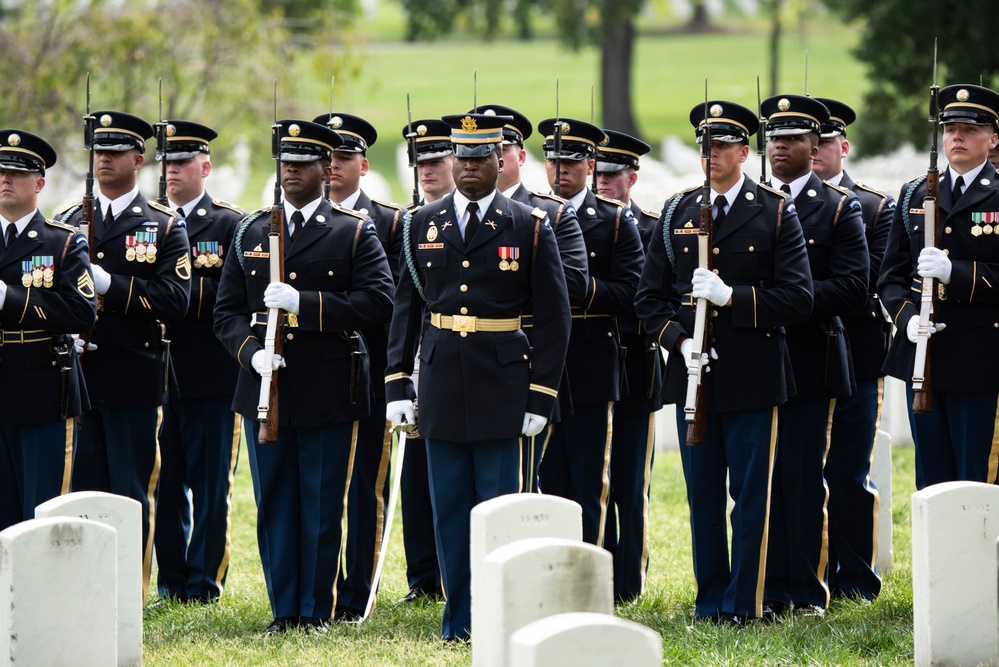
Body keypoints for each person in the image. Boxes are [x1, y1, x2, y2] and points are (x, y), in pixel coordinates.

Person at [385, 112, 570, 641]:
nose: (468, 167)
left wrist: (541, 394)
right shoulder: (423, 222)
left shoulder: (529, 225)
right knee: (449, 510)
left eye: (478, 158)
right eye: (460, 158)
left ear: (498, 161)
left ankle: (504, 614)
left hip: (503, 384)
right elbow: (407, 306)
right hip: (442, 381)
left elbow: (555, 320)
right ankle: (460, 619)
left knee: (500, 508)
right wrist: (398, 382)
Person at [635, 99, 813, 625]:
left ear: (743, 151)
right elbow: (649, 299)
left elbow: (798, 298)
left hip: (754, 375)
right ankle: (710, 598)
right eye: (704, 146)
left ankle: (746, 599)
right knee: (703, 496)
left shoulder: (776, 210)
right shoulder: (676, 212)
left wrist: (733, 296)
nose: (710, 155)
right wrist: (679, 341)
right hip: (695, 378)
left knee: (752, 497)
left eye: (721, 146)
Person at [213, 119, 394, 635]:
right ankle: (283, 607)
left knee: (320, 500)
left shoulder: (352, 231)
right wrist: (251, 355)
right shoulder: (251, 231)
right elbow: (224, 314)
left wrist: (306, 305)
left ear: (325, 169)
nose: (290, 171)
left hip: (328, 387)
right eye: (285, 163)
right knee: (274, 500)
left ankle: (316, 608)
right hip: (264, 387)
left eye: (303, 163)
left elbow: (378, 302)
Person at [58, 111, 191, 602]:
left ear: (139, 160)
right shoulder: (71, 221)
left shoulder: (161, 224)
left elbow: (175, 299)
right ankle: (87, 591)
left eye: (114, 154)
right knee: (83, 490)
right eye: (98, 153)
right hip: (80, 375)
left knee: (131, 489)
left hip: (133, 373)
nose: (104, 161)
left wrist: (110, 285)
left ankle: (129, 594)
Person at [761, 94, 868, 619]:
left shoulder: (838, 207)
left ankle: (805, 589)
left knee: (803, 478)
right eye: (774, 138)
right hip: (755, 359)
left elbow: (852, 287)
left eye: (793, 139)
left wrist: (787, 301)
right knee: (762, 480)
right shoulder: (754, 202)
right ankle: (767, 583)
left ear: (815, 144)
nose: (780, 147)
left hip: (810, 356)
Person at [878, 84, 999, 489]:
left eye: (968, 129)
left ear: (993, 139)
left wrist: (956, 273)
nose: (957, 137)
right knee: (931, 480)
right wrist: (906, 319)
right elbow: (891, 277)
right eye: (950, 129)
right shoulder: (915, 192)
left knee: (976, 479)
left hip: (980, 359)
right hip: (923, 357)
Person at [311, 111, 403, 621]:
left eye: (344, 158)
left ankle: (357, 591)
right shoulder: (296, 219)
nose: (333, 168)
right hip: (320, 372)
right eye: (328, 158)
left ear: (363, 165)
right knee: (322, 485)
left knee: (367, 482)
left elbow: (395, 305)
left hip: (370, 370)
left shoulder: (389, 222)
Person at [535, 116, 644, 547]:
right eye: (553, 161)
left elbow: (633, 291)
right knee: (546, 478)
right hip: (542, 360)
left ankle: (590, 578)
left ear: (590, 165)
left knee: (588, 482)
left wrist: (570, 289)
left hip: (590, 360)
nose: (560, 170)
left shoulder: (614, 220)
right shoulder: (532, 214)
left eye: (571, 162)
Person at [151, 120, 246, 605]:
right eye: (166, 162)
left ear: (205, 167)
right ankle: (170, 580)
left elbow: (231, 298)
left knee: (211, 487)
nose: (171, 171)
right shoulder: (146, 224)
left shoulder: (230, 225)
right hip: (156, 375)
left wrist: (169, 296)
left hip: (212, 372)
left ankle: (204, 581)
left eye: (182, 162)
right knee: (164, 483)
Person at [474, 103, 588, 491]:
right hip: (466, 366)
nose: (494, 159)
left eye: (501, 150)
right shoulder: (451, 217)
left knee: (521, 484)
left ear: (520, 156)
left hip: (527, 361)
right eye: (481, 150)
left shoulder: (550, 214)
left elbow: (572, 285)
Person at [813, 98, 894, 601]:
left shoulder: (872, 207)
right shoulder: (777, 204)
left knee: (848, 471)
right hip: (800, 357)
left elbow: (870, 281)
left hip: (858, 356)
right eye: (806, 141)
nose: (814, 150)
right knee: (802, 473)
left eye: (823, 142)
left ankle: (855, 578)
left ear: (843, 147)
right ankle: (808, 573)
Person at [0, 129, 96, 532]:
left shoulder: (62, 243)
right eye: (0, 171)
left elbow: (81, 311)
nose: (5, 179)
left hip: (41, 386)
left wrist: (10, 299)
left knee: (42, 514)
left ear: (39, 183)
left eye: (16, 173)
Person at [594, 129, 664, 603]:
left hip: (635, 367)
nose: (601, 181)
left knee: (630, 481)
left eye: (611, 174)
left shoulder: (652, 228)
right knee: (591, 478)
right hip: (591, 366)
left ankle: (630, 580)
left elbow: (652, 300)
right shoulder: (572, 222)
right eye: (595, 173)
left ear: (631, 177)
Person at [393, 117, 454, 605]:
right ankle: (423, 575)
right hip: (418, 357)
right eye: (421, 162)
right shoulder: (409, 221)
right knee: (415, 475)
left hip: (458, 357)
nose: (426, 169)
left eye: (436, 160)